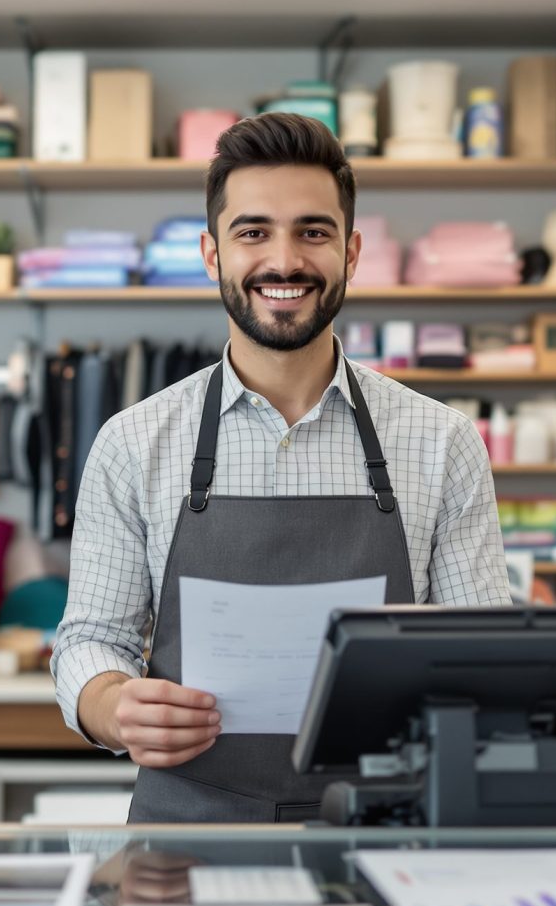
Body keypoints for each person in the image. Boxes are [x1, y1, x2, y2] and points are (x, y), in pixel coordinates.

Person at [52, 112, 510, 823]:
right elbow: (90, 640)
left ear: (351, 252)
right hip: (189, 831)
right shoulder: (133, 441)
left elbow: (483, 654)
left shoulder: (443, 442)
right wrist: (112, 706)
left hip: (389, 830)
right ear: (213, 254)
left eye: (313, 232)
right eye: (254, 232)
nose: (285, 260)